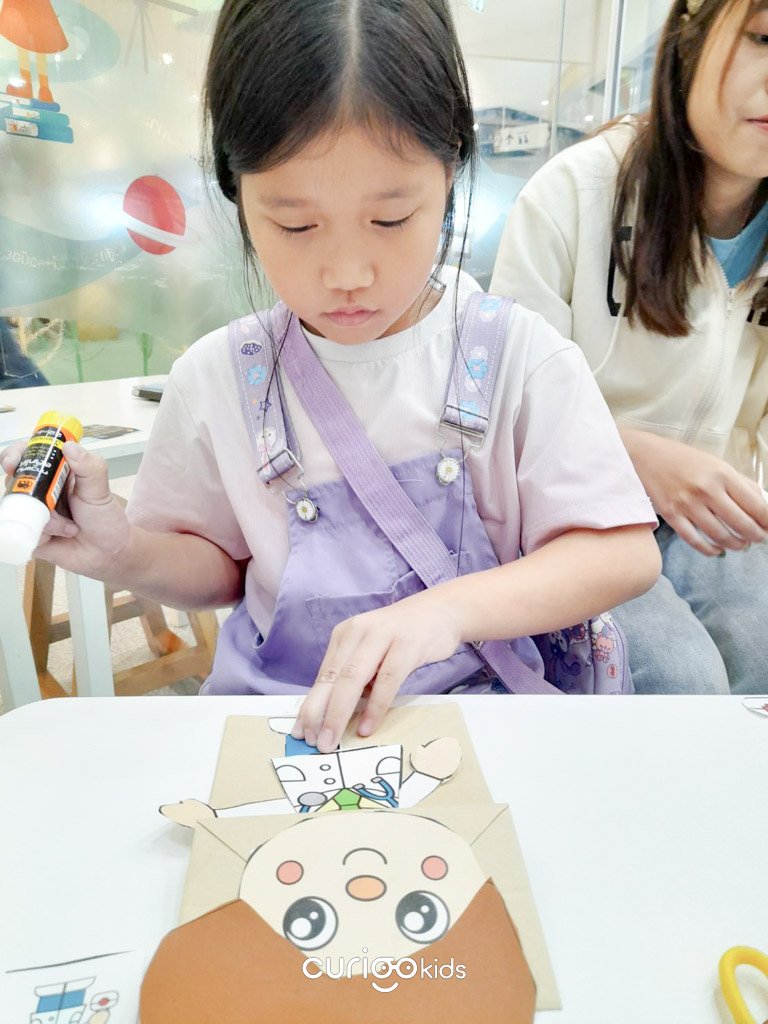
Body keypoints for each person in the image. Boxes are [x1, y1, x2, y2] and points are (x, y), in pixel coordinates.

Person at [1, 0, 659, 749]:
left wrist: (448, 611)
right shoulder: (215, 378)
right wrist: (120, 550)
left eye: (391, 218)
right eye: (295, 224)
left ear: (450, 173)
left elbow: (620, 551)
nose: (347, 273)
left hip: (486, 728)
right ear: (237, 191)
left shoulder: (519, 356)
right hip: (291, 729)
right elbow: (219, 569)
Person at [491, 0, 768, 695]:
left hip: (714, 520)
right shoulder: (575, 193)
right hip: (574, 513)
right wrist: (635, 454)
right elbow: (497, 410)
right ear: (691, 32)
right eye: (764, 38)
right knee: (681, 681)